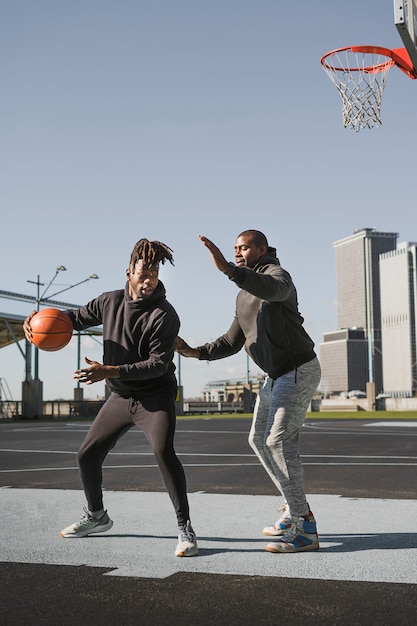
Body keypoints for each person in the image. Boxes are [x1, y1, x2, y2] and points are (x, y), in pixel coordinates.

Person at [23, 238, 198, 557]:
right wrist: (37, 323)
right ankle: (96, 516)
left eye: (154, 273)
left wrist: (110, 371)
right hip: (120, 398)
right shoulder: (109, 302)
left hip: (154, 397)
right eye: (143, 272)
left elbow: (157, 365)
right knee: (86, 455)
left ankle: (185, 528)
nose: (149, 279)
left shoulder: (164, 315)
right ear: (129, 270)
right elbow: (71, 319)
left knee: (163, 451)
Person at [176, 230, 321, 553]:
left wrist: (229, 270)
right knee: (258, 440)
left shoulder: (277, 276)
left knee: (278, 441)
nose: (239, 252)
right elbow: (230, 341)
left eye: (244, 247)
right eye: (235, 249)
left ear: (262, 249)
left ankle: (305, 526)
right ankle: (291, 507)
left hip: (298, 368)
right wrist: (193, 352)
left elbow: (274, 289)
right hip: (275, 376)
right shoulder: (243, 293)